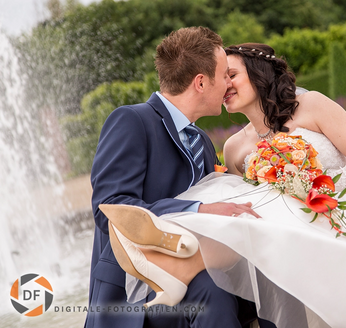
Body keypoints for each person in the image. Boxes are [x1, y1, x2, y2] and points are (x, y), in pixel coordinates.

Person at [102, 43, 346, 327]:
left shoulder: (314, 107)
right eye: (223, 78)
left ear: (257, 74)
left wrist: (316, 186)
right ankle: (175, 262)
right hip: (290, 234)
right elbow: (242, 206)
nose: (227, 86)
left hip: (337, 210)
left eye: (232, 75)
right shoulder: (233, 146)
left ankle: (177, 266)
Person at [86, 29, 275, 328]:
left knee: (268, 282)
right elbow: (108, 209)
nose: (229, 83)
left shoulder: (201, 140)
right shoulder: (132, 120)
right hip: (138, 285)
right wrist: (198, 209)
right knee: (215, 293)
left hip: (198, 267)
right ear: (201, 82)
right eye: (225, 74)